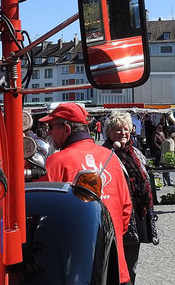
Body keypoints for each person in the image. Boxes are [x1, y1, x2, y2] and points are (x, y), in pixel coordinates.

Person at [43, 103, 133, 284]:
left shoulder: (56, 162)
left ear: (66, 128)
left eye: (51, 127)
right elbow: (126, 210)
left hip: (76, 270)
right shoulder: (111, 158)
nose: (49, 133)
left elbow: (45, 219)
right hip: (114, 265)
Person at [102, 111, 155, 284]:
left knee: (131, 267)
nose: (123, 133)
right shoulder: (104, 154)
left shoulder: (137, 154)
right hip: (116, 217)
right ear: (108, 132)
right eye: (117, 129)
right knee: (113, 266)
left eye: (125, 129)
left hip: (136, 217)